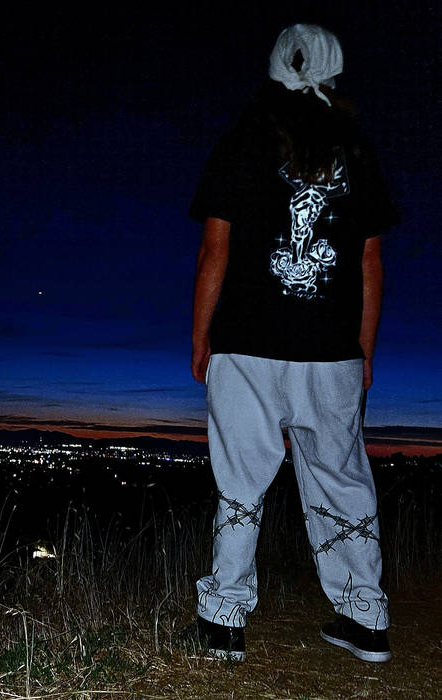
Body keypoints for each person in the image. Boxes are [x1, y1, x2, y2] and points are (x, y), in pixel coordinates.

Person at [187, 24, 398, 663]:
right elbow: (369, 261)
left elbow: (216, 248)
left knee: (240, 481)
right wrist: (363, 350)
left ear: (277, 66)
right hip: (331, 350)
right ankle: (365, 618)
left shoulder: (241, 139)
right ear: (333, 68)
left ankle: (224, 620)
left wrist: (200, 338)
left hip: (247, 345)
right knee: (342, 478)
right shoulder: (356, 151)